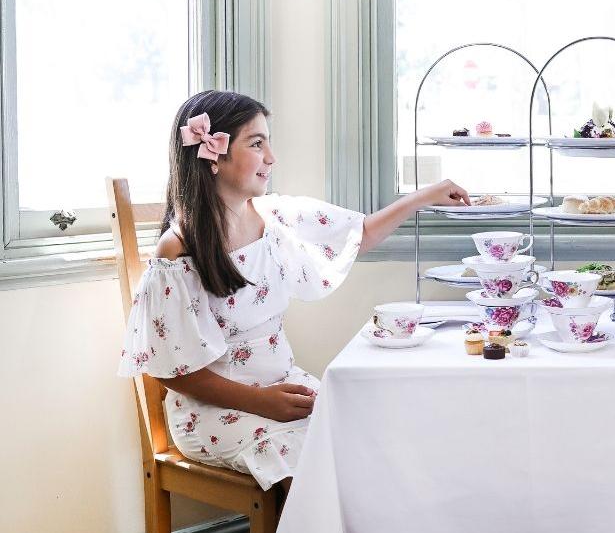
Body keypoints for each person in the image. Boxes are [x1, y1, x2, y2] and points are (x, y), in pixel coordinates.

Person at [118, 90, 470, 490]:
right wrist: (260, 402)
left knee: (371, 435)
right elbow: (172, 371)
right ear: (213, 154)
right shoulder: (177, 250)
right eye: (257, 143)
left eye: (269, 142)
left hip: (283, 387)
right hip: (214, 410)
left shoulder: (275, 218)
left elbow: (356, 233)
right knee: (309, 464)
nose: (272, 157)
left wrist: (422, 198)